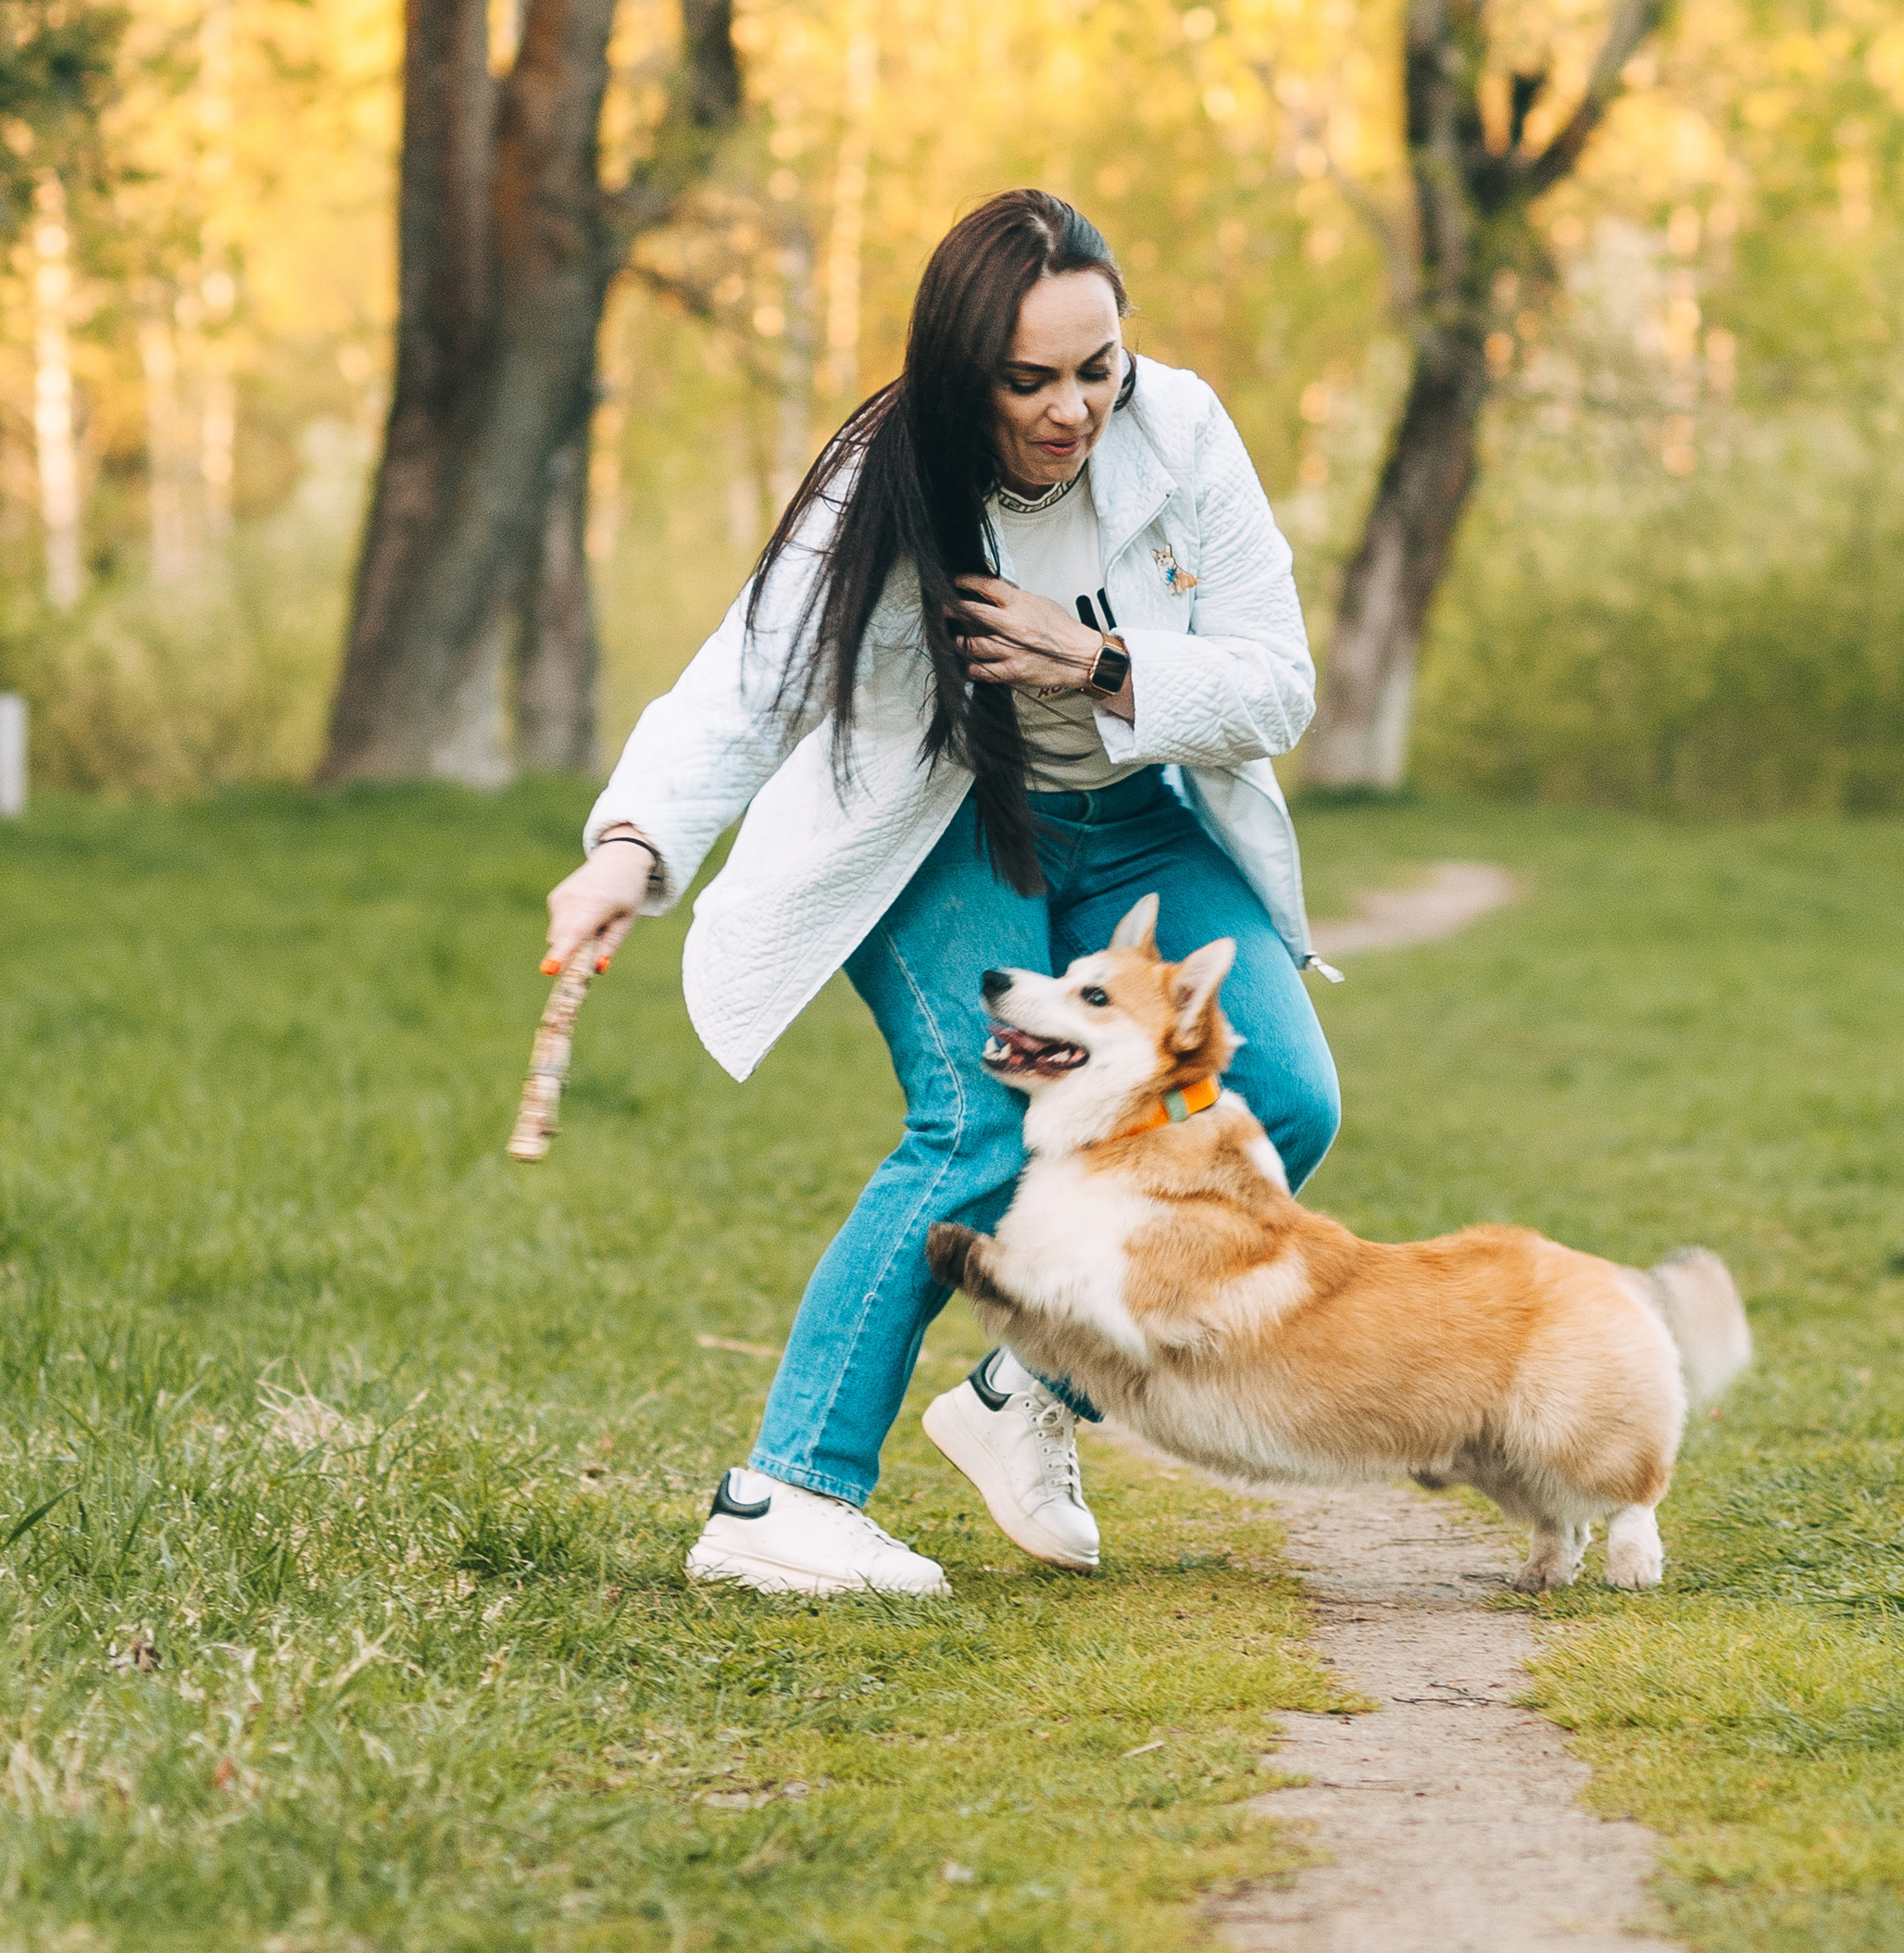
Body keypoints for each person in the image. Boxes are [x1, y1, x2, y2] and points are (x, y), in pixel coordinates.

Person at [543, 188, 1341, 1598]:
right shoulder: (887, 475)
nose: (1072, 408)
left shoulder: (1185, 429)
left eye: (1098, 368)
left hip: (1138, 817)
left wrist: (1095, 659)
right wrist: (630, 847)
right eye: (1029, 379)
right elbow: (745, 680)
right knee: (976, 1119)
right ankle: (781, 1497)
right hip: (953, 820)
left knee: (1278, 1102)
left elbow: (1278, 679)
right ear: (964, 366)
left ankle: (1032, 1390)